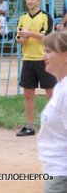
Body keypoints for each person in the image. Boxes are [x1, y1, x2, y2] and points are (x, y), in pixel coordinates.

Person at [15, 0, 57, 137]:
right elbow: (19, 38)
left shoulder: (46, 17)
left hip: (44, 60)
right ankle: (29, 126)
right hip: (28, 59)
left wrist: (29, 34)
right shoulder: (22, 18)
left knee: (51, 94)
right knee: (28, 93)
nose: (29, 1)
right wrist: (22, 39)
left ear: (38, 0)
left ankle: (55, 127)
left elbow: (47, 37)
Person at [37, 31, 67, 193]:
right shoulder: (60, 86)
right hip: (55, 172)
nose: (44, 56)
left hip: (61, 175)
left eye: (49, 51)